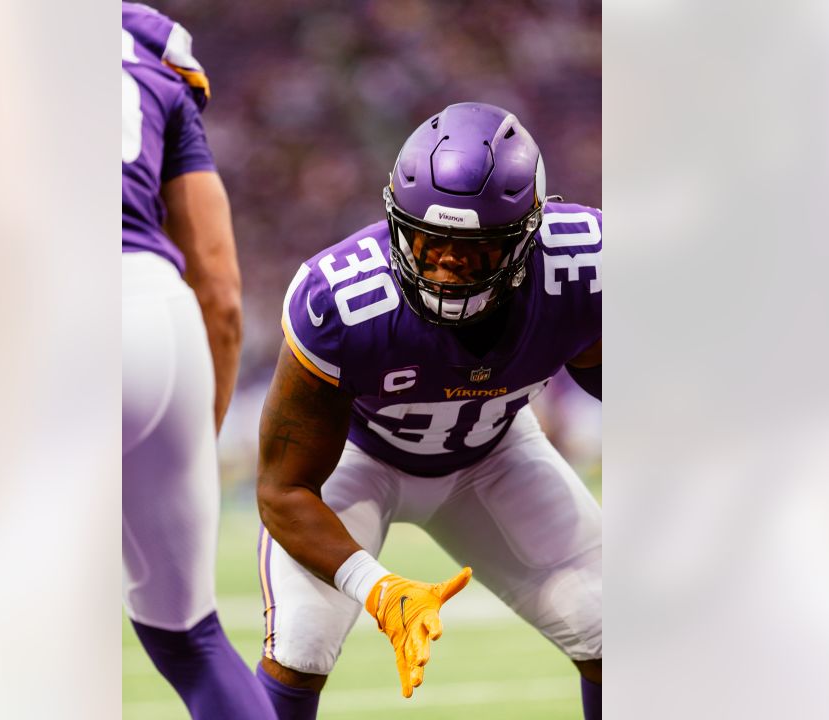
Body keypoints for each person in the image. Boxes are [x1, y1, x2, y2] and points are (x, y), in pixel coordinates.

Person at [253, 102, 602, 719]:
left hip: (493, 454)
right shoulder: (342, 301)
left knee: (612, 624)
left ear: (526, 236)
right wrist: (380, 590)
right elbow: (284, 490)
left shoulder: (579, 269)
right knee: (300, 648)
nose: (445, 263)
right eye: (429, 237)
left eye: (475, 248)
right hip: (357, 462)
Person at [121, 4, 275, 718]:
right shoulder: (151, 52)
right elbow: (219, 287)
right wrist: (193, 434)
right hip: (159, 315)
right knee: (191, 637)